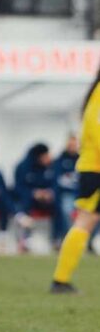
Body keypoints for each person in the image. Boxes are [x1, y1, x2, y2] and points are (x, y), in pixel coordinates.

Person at [51, 71, 100, 293]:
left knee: (84, 222)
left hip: (92, 168)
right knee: (84, 222)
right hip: (95, 170)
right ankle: (60, 280)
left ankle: (61, 280)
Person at [14, 143, 57, 250]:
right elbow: (18, 188)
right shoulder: (23, 167)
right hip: (29, 199)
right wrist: (34, 193)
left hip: (45, 201)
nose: (48, 157)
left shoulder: (50, 167)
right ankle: (25, 240)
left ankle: (57, 239)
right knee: (24, 206)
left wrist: (49, 193)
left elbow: (55, 184)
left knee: (58, 206)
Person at [52, 134, 79, 245]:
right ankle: (68, 239)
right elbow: (57, 181)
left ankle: (88, 241)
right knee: (66, 209)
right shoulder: (59, 160)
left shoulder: (82, 160)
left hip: (81, 195)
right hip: (66, 194)